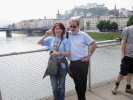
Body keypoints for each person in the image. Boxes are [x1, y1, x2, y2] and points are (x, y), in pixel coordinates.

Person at [37, 23, 72, 100]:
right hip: (53, 65)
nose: (58, 30)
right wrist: (46, 35)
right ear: (54, 30)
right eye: (56, 28)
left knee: (61, 87)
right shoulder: (51, 39)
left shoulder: (65, 40)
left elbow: (68, 53)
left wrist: (58, 53)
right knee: (54, 87)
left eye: (60, 28)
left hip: (62, 65)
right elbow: (39, 42)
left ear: (62, 30)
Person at [67, 19, 97, 100]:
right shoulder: (67, 34)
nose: (72, 28)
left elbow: (94, 44)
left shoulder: (83, 35)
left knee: (83, 83)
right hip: (73, 63)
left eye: (74, 26)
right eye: (71, 26)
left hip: (83, 62)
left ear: (78, 26)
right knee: (78, 84)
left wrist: (89, 55)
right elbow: (57, 37)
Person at [112, 25, 133, 94]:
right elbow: (123, 42)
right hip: (127, 55)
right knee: (123, 72)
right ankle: (116, 85)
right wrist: (122, 54)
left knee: (131, 72)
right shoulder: (128, 29)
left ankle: (128, 87)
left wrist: (120, 38)